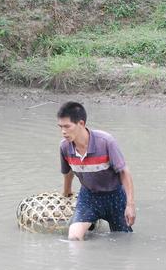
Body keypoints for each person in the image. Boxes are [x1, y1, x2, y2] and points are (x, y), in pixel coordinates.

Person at [57, 101, 136, 240]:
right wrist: (66, 193)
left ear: (81, 123)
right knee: (74, 238)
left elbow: (124, 172)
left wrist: (130, 205)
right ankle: (90, 221)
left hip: (115, 197)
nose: (63, 131)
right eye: (60, 127)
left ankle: (93, 223)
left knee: (124, 240)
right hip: (88, 197)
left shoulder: (106, 142)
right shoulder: (64, 147)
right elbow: (68, 173)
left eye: (67, 126)